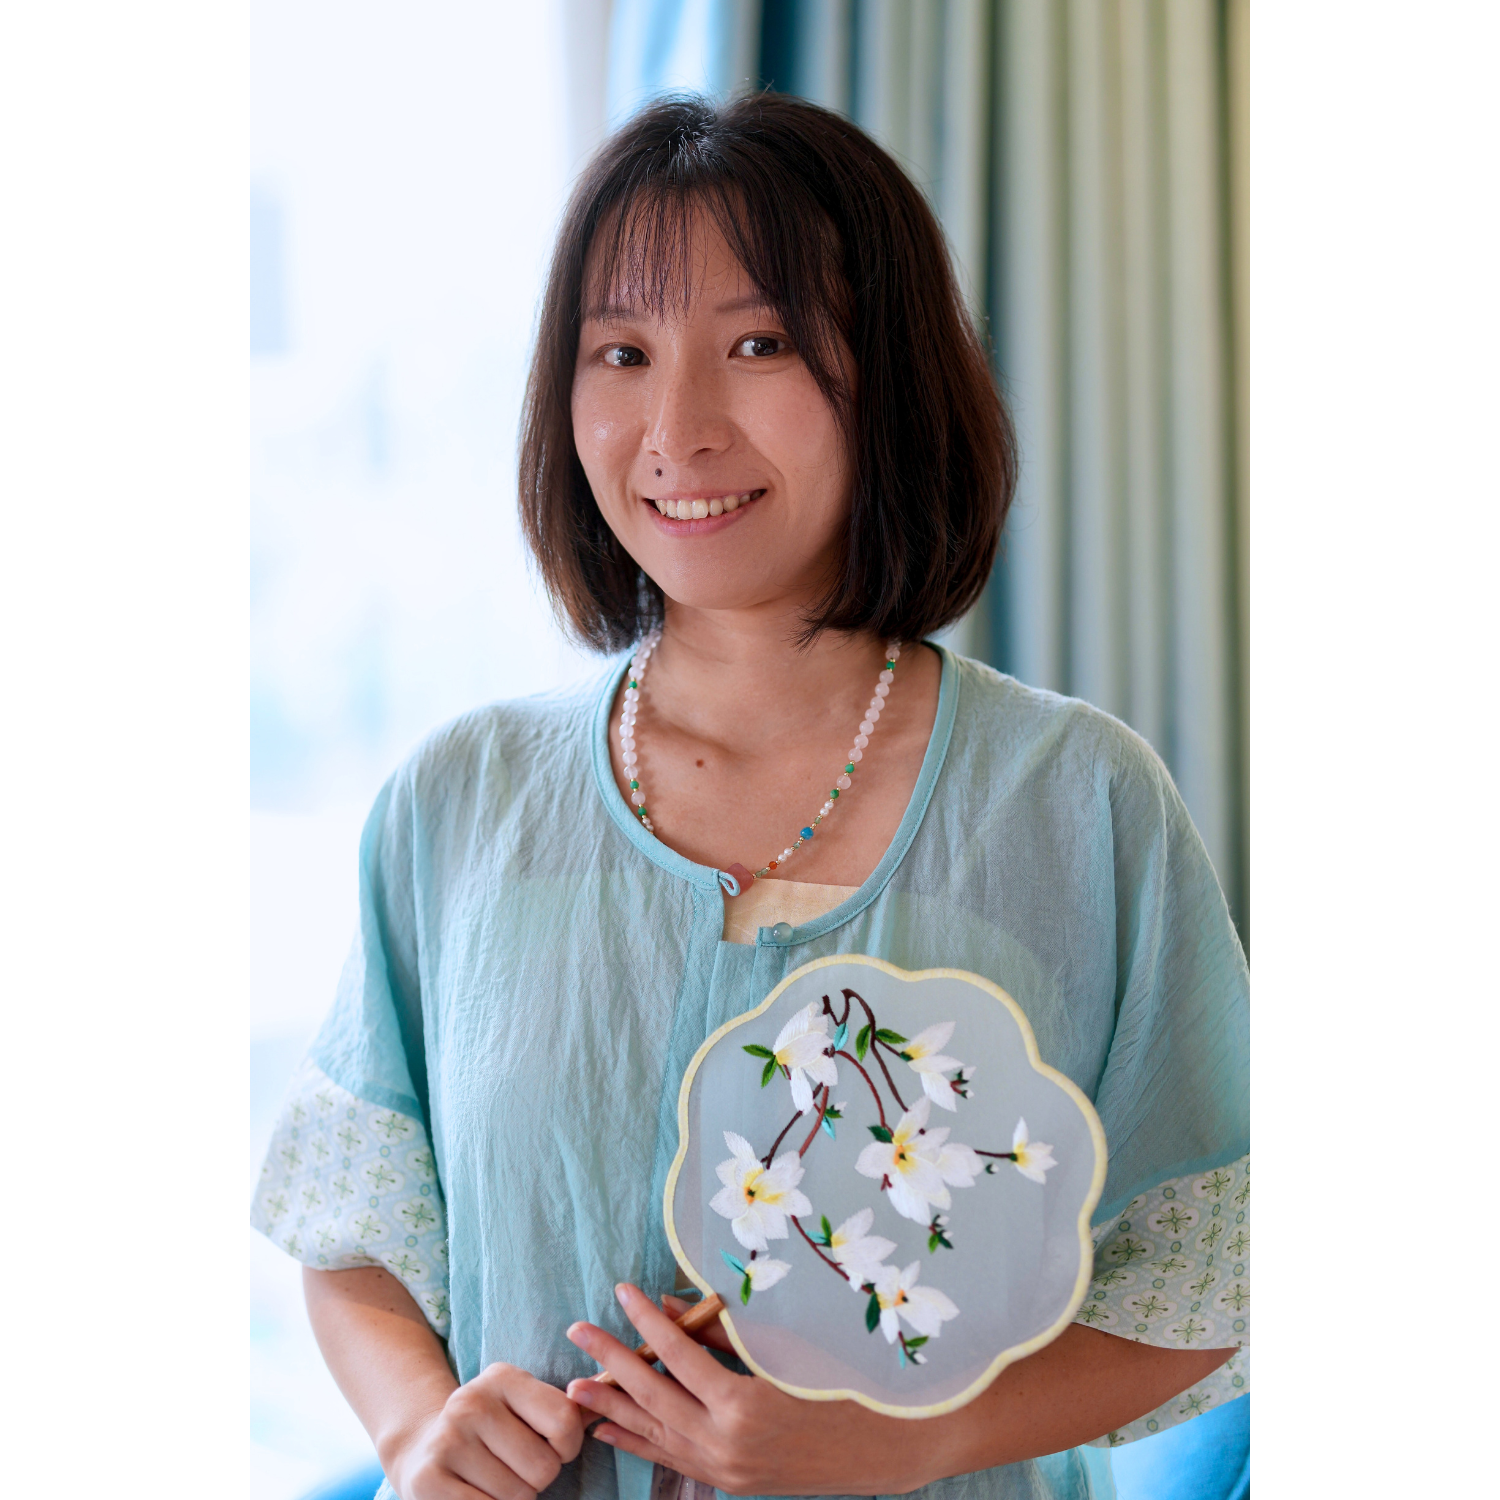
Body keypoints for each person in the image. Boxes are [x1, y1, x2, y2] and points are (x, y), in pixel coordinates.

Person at [254, 93, 1249, 1500]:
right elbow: (355, 1221)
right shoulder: (458, 801)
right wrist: (419, 1426)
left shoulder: (1079, 802)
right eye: (621, 351)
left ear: (887, 374)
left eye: (760, 344)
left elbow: (1210, 1259)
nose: (677, 428)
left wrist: (909, 1440)